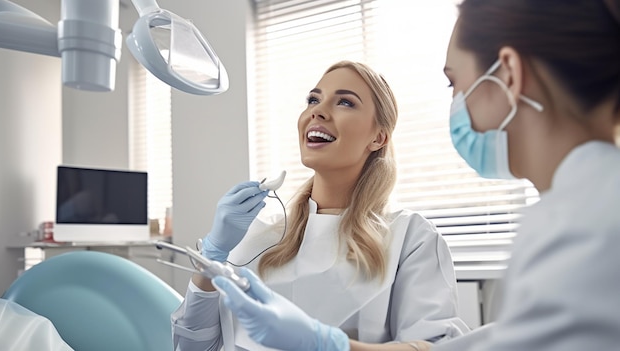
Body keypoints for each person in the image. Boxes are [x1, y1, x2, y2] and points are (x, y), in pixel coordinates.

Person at [171, 60, 470, 351]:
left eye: (345, 103)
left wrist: (328, 346)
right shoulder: (254, 235)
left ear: (378, 137)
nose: (318, 112)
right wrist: (212, 257)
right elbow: (192, 346)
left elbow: (436, 345)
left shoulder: (410, 238)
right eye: (313, 99)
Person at [432, 0, 620, 350]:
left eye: (453, 84)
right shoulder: (596, 193)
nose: (457, 103)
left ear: (508, 73)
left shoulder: (572, 227)